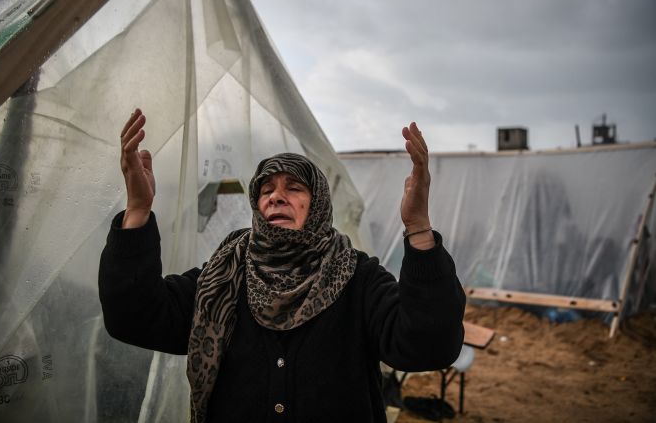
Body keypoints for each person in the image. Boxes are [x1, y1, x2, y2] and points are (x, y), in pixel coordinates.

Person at [99, 109, 466, 423]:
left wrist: (418, 226)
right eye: (266, 189)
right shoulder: (223, 275)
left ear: (318, 202)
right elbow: (135, 316)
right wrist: (137, 211)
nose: (276, 195)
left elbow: (430, 344)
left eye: (294, 187)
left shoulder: (358, 277)